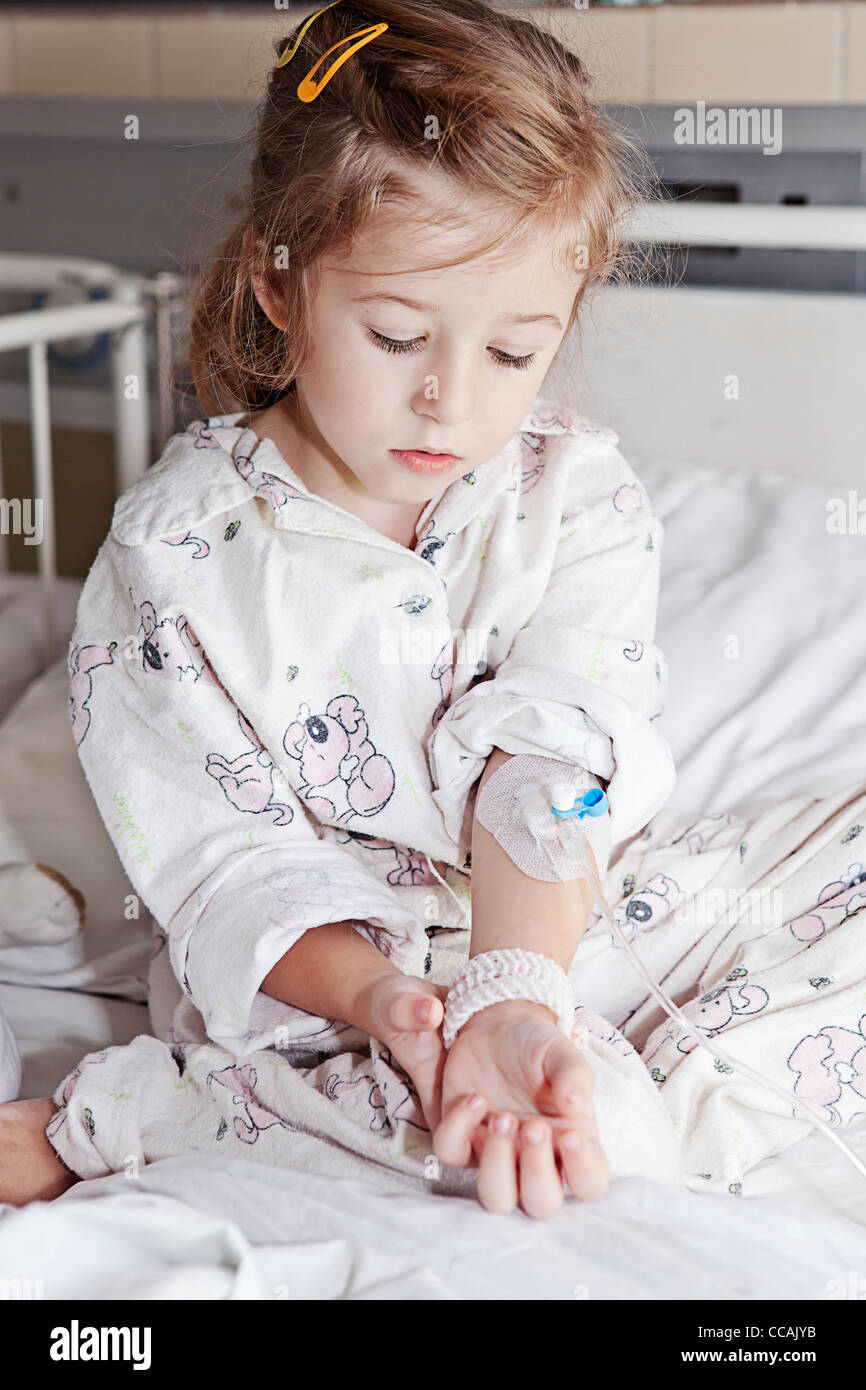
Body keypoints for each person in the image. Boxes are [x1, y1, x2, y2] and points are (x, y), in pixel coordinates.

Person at [0, 0, 676, 1220]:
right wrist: (390, 1007)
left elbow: (554, 754)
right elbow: (224, 862)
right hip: (315, 989)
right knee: (468, 1131)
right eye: (396, 332)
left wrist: (513, 987)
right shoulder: (174, 558)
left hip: (544, 928)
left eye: (515, 352)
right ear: (279, 278)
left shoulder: (576, 501)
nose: (449, 402)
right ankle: (137, 1114)